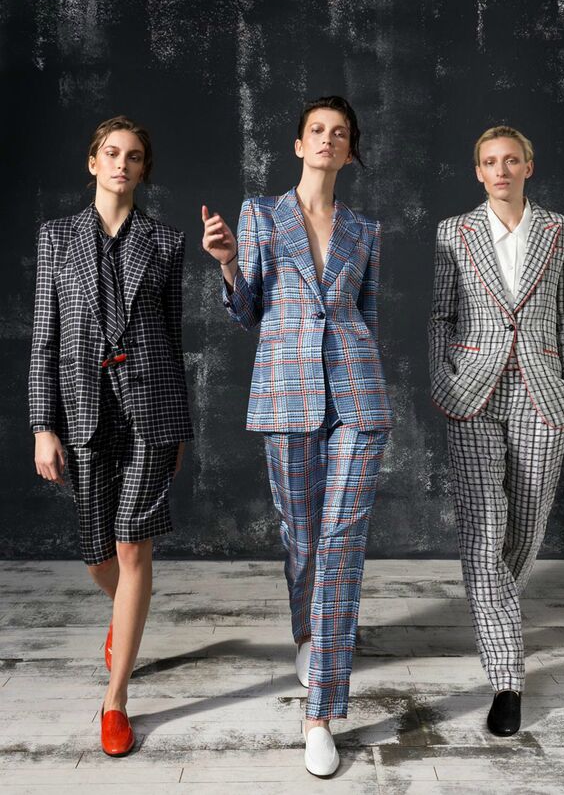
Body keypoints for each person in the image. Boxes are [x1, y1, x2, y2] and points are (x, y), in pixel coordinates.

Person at [202, 96, 392, 776]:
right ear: (298, 144)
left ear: (350, 150)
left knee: (341, 544)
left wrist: (368, 384)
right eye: (317, 130)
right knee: (302, 537)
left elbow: (367, 316)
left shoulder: (365, 229)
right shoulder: (261, 214)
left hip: (358, 398)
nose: (328, 140)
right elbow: (248, 311)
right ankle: (309, 633)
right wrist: (229, 264)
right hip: (286, 395)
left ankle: (320, 714)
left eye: (340, 133)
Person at [29, 115, 193, 756]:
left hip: (152, 410)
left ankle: (116, 699)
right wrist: (43, 426)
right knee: (99, 555)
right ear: (93, 162)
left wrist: (180, 426)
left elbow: (174, 339)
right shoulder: (55, 238)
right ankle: (127, 612)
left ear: (144, 170)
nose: (123, 163)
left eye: (135, 156)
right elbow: (44, 341)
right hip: (84, 411)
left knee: (131, 546)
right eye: (112, 153)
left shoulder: (166, 242)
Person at [429, 125, 564, 736]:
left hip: (543, 393)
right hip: (472, 391)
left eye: (511, 160)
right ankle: (507, 679)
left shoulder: (562, 231)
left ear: (528, 166)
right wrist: (443, 378)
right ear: (478, 172)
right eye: (490, 162)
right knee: (484, 531)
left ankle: (494, 608)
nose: (501, 170)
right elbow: (440, 314)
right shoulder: (453, 231)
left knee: (527, 524)